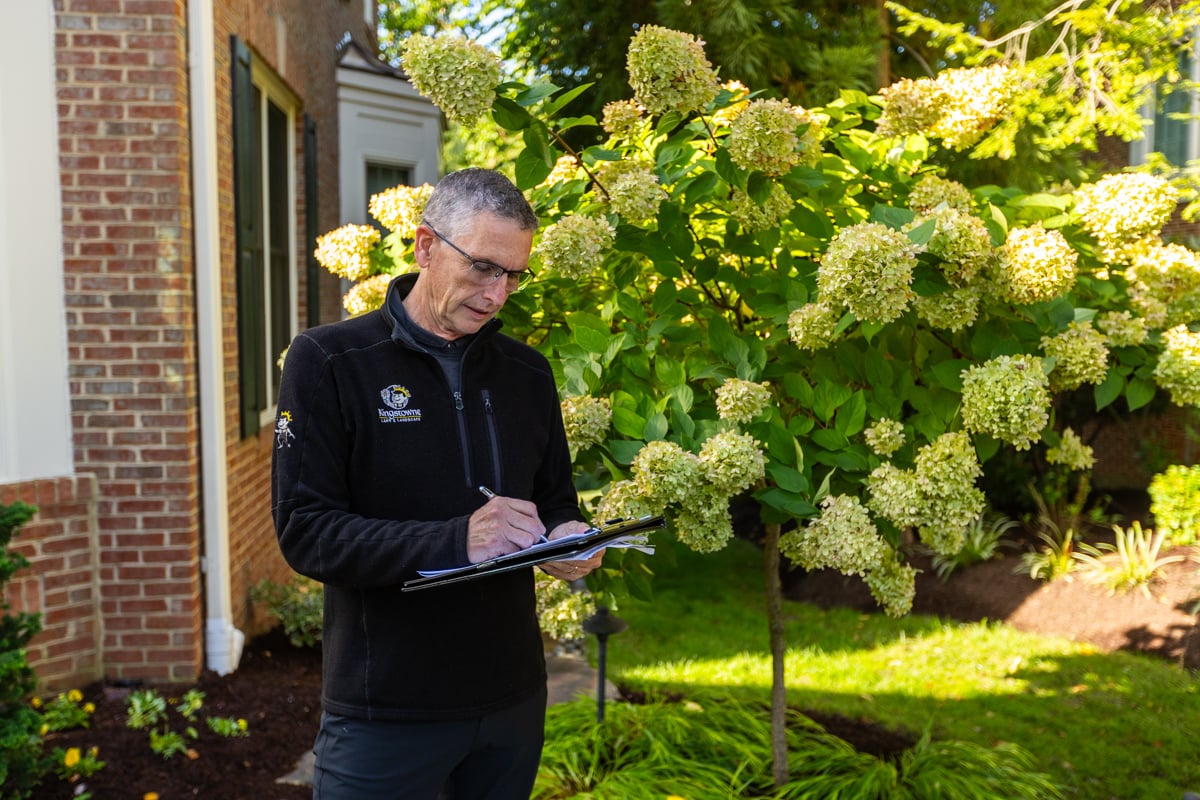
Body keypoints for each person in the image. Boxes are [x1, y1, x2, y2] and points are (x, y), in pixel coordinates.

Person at [271, 168, 603, 800]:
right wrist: (457, 540)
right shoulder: (330, 362)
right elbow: (304, 532)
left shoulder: (527, 373)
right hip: (386, 711)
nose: (497, 293)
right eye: (482, 267)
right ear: (425, 246)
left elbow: (555, 497)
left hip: (511, 703)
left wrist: (568, 535)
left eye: (513, 274)